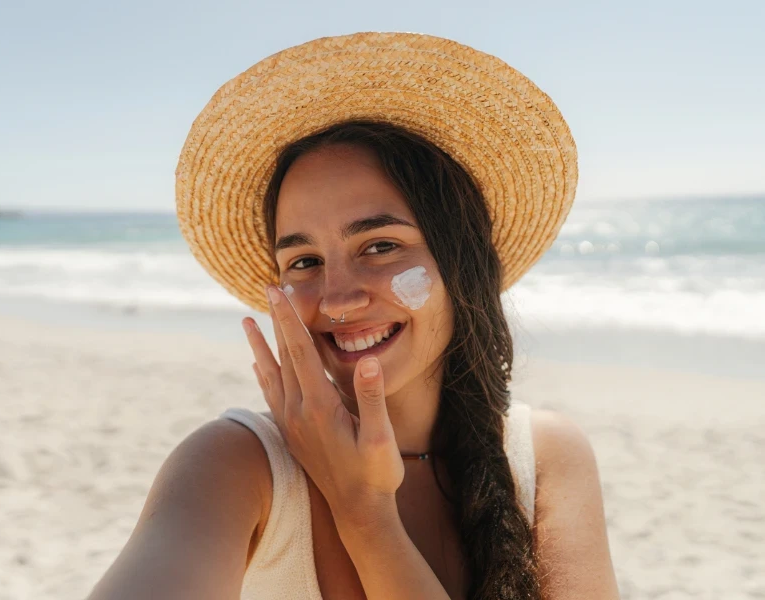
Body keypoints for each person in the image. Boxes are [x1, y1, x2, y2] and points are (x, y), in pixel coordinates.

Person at [88, 32, 619, 599]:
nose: (338, 299)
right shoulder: (235, 467)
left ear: (461, 262)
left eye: (380, 246)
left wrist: (364, 514)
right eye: (305, 260)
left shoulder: (543, 461)